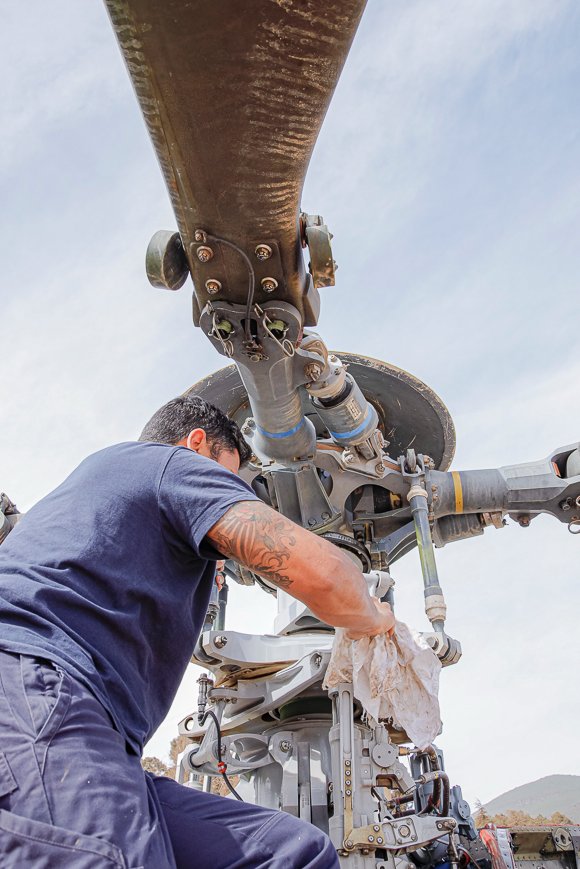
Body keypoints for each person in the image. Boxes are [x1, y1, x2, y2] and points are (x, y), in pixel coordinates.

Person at [0, 395, 394, 868]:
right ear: (197, 443)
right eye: (230, 479)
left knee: (294, 853)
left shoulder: (101, 490)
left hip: (96, 731)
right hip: (41, 688)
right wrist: (375, 620)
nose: (228, 493)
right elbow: (325, 576)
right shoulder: (170, 463)